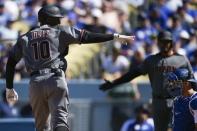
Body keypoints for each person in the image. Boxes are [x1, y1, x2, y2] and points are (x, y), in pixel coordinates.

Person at [5, 5, 134, 131]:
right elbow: (87, 37)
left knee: (42, 127)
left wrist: (9, 88)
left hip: (36, 82)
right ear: (49, 19)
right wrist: (114, 36)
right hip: (55, 79)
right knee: (60, 121)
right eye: (56, 18)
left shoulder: (26, 37)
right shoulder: (60, 32)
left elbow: (10, 63)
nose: (59, 20)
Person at [99, 31, 194, 131]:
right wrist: (114, 83)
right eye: (162, 42)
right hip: (158, 101)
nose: (164, 44)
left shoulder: (181, 60)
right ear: (158, 43)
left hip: (176, 100)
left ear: (171, 43)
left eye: (167, 42)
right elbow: (133, 74)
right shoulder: (151, 60)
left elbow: (192, 80)